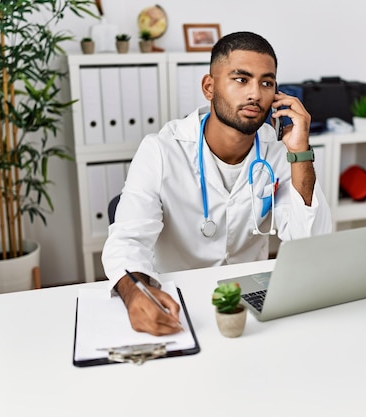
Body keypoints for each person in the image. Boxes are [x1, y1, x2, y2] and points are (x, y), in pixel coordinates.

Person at [102, 31, 332, 335]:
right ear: (209, 87)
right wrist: (136, 295)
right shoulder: (161, 150)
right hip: (179, 303)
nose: (255, 94)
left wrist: (302, 152)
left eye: (266, 83)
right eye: (241, 79)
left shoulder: (279, 151)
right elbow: (127, 241)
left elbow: (312, 242)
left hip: (250, 303)